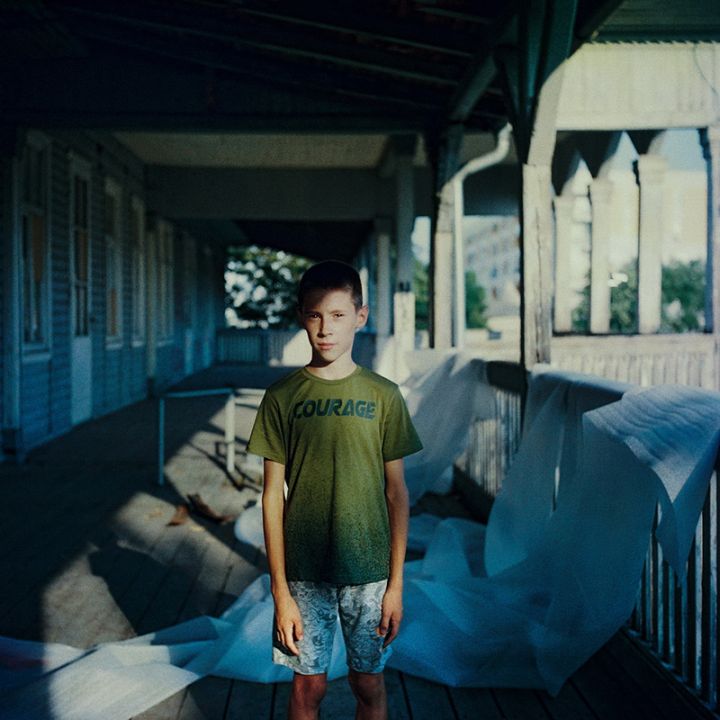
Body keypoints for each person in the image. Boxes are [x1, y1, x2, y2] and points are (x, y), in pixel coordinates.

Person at [247, 260, 422, 720]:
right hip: (304, 571)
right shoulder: (282, 396)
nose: (326, 328)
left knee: (368, 684)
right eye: (315, 315)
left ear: (360, 317)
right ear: (301, 317)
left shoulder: (384, 395)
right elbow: (271, 496)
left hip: (369, 570)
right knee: (309, 688)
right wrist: (280, 592)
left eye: (339, 315)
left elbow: (397, 493)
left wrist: (396, 586)